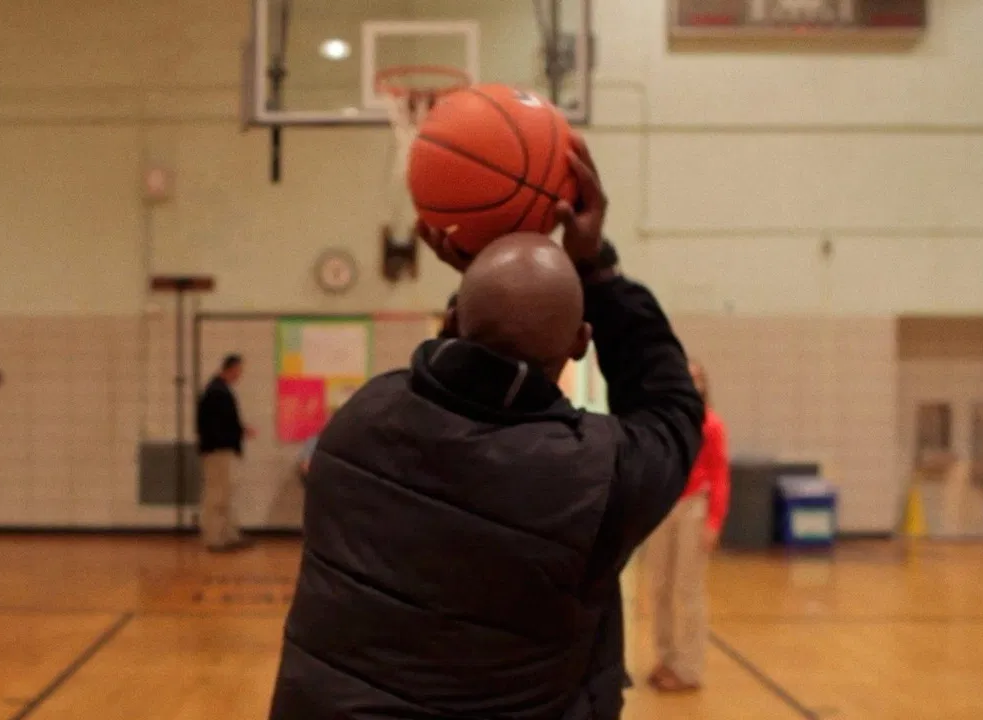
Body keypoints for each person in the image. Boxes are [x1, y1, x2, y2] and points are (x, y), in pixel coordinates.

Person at [268, 139, 705, 720]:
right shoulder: (597, 479)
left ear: (451, 320)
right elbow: (671, 403)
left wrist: (483, 276)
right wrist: (598, 266)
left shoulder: (361, 422)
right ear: (581, 343)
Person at [644, 360, 731, 693]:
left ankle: (689, 668)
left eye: (697, 380)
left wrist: (714, 521)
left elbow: (720, 475)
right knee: (659, 588)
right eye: (686, 378)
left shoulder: (712, 424)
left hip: (694, 508)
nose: (691, 385)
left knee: (688, 590)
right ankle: (666, 658)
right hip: (664, 507)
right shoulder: (665, 422)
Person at [195, 354, 257, 552]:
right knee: (216, 495)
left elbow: (224, 421)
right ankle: (214, 538)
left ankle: (228, 535)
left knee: (226, 494)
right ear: (230, 369)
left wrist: (240, 429)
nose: (239, 375)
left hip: (223, 450)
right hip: (218, 451)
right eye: (238, 371)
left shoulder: (220, 390)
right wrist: (235, 432)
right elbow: (214, 425)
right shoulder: (216, 392)